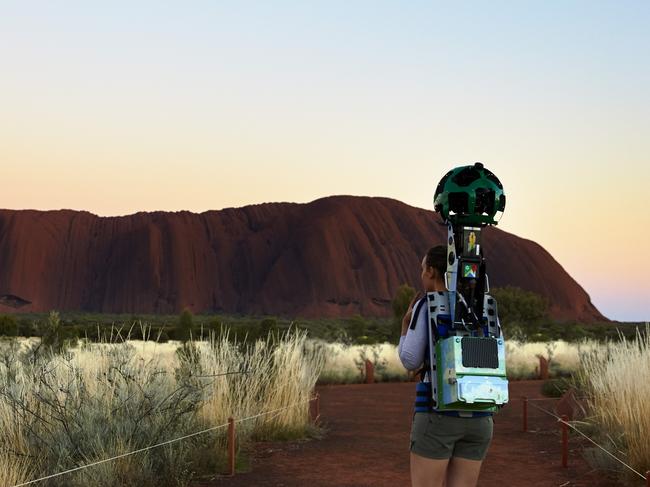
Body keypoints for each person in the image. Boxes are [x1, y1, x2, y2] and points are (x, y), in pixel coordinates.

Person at [398, 245, 494, 487]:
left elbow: (410, 360)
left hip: (437, 413)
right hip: (481, 415)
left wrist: (404, 327)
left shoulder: (427, 305)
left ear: (431, 271)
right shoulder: (485, 307)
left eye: (422, 269)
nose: (421, 275)